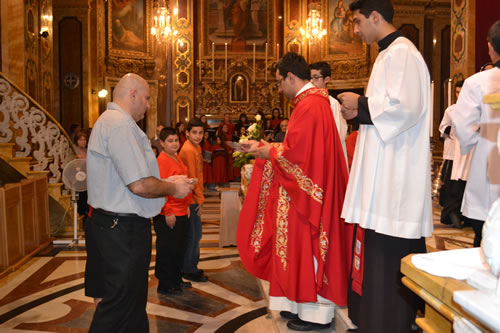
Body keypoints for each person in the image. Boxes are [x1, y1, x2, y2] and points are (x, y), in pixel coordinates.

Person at [238, 52, 353, 331]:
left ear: (291, 77)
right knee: (295, 250)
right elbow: (298, 151)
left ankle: (315, 314)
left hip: (309, 196)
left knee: (308, 250)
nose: (279, 89)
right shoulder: (310, 102)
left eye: (279, 82)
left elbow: (298, 157)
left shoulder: (311, 105)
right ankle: (298, 305)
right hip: (304, 192)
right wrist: (268, 150)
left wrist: (266, 150)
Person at [337, 1, 432, 332]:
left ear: (376, 17)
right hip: (384, 175)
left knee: (389, 258)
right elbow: (385, 111)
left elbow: (406, 108)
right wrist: (360, 112)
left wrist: (361, 104)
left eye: (358, 21)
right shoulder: (387, 54)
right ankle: (372, 321)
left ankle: (386, 324)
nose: (356, 29)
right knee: (377, 257)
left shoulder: (402, 53)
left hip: (396, 179)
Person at [86, 73, 193, 332]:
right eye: (146, 98)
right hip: (121, 230)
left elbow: (132, 176)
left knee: (130, 305)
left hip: (113, 226)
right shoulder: (120, 125)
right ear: (132, 94)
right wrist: (173, 188)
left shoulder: (112, 122)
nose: (147, 105)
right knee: (120, 306)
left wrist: (166, 179)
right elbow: (139, 185)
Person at [452, 20, 500, 247]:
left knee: (486, 244)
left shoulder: (477, 83)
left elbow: (463, 127)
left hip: (492, 166)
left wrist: (475, 140)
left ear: (490, 46)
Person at [154, 127, 193, 296]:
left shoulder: (176, 158)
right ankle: (165, 283)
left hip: (181, 210)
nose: (174, 144)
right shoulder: (161, 160)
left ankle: (176, 278)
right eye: (170, 141)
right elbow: (161, 188)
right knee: (168, 249)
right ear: (162, 143)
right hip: (169, 213)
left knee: (179, 248)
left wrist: (186, 206)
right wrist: (167, 211)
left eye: (176, 140)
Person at [178, 118, 209, 282]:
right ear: (187, 133)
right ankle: (188, 269)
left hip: (193, 197)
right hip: (190, 199)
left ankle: (191, 266)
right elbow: (193, 178)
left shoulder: (195, 147)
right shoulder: (189, 150)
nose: (198, 136)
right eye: (194, 133)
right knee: (193, 235)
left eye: (201, 132)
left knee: (195, 234)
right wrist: (199, 200)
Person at [438, 80, 465, 228]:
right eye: (457, 92)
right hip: (452, 154)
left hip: (466, 154)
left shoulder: (472, 109)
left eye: (462, 92)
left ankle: (463, 215)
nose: (459, 95)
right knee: (450, 186)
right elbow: (442, 127)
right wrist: (451, 130)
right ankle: (451, 213)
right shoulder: (451, 110)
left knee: (461, 186)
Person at [310, 61, 348, 162]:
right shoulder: (307, 103)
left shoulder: (332, 104)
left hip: (329, 157)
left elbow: (338, 135)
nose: (312, 82)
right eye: (310, 78)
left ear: (326, 79)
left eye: (316, 77)